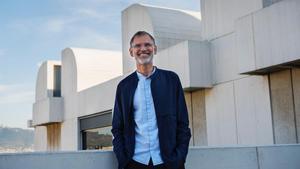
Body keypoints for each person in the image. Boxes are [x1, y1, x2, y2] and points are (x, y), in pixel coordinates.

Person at [111, 31, 191, 169]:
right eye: (138, 46)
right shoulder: (124, 87)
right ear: (131, 52)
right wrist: (123, 159)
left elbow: (182, 123)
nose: (143, 49)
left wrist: (179, 158)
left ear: (155, 49)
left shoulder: (172, 80)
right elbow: (117, 128)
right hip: (135, 162)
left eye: (147, 44)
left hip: (168, 163)